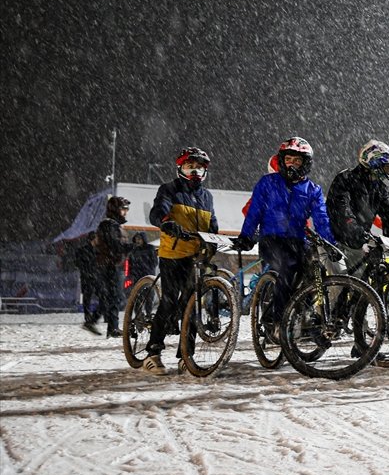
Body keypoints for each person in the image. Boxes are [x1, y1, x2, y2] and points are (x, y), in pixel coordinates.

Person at [232, 137, 337, 350]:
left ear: (305, 163)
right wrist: (246, 236)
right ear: (281, 160)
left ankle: (308, 322)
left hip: (298, 240)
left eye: (297, 161)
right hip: (272, 240)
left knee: (315, 273)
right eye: (288, 159)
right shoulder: (267, 183)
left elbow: (321, 218)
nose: (291, 164)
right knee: (288, 269)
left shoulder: (312, 189)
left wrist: (330, 243)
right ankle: (278, 321)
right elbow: (254, 212)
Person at [141, 147, 219, 375]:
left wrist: (215, 238)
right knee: (169, 301)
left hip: (196, 256)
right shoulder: (169, 189)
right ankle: (152, 353)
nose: (195, 172)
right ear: (180, 169)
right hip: (173, 254)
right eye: (189, 167)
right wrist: (166, 222)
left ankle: (186, 356)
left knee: (191, 304)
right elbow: (158, 212)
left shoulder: (207, 197)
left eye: (199, 168)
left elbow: (212, 223)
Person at [328, 140, 389, 274]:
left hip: (359, 242)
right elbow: (344, 215)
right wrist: (362, 236)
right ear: (375, 165)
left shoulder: (379, 187)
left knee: (368, 285)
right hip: (337, 242)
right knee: (341, 287)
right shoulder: (346, 179)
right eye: (386, 167)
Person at [90, 195, 133, 338]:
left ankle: (98, 322)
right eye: (123, 209)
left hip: (112, 264)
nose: (125, 212)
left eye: (126, 209)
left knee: (110, 297)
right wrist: (132, 247)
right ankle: (112, 327)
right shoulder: (109, 224)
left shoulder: (112, 225)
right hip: (110, 265)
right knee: (114, 296)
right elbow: (114, 245)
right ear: (115, 209)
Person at [75, 233, 100, 325]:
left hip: (95, 276)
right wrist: (87, 270)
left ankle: (95, 315)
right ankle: (88, 316)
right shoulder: (83, 250)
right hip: (88, 276)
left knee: (101, 296)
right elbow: (78, 263)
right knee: (87, 297)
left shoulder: (98, 250)